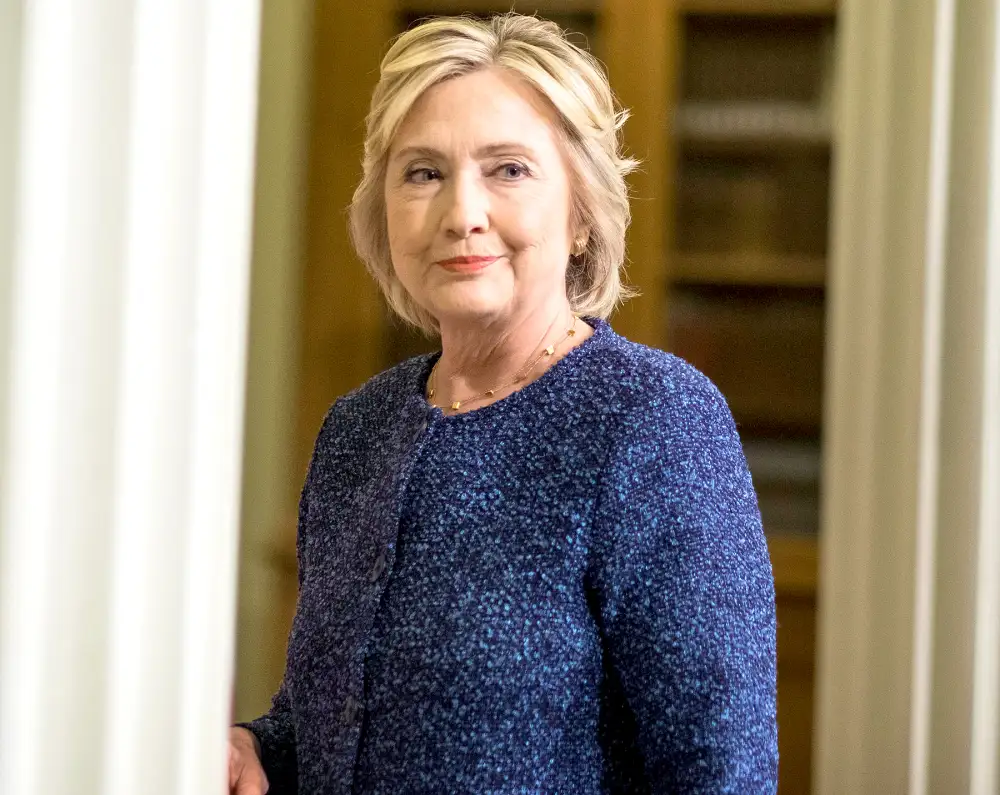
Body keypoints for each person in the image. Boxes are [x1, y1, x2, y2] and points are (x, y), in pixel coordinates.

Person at [228, 12, 777, 795]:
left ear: (582, 212)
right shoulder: (357, 428)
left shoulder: (652, 419)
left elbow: (718, 770)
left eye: (509, 170)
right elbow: (331, 723)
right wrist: (258, 747)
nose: (462, 213)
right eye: (423, 173)